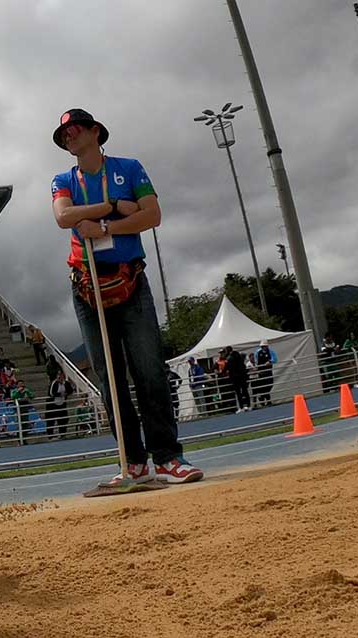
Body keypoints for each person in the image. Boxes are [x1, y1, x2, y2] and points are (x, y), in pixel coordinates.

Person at [50, 108, 201, 484]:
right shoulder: (62, 179)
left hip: (129, 279)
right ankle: (131, 459)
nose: (69, 134)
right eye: (64, 132)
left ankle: (167, 456)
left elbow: (151, 215)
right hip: (86, 284)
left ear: (96, 132)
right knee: (109, 378)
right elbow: (64, 218)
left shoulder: (130, 168)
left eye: (76, 128)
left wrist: (101, 223)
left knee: (148, 368)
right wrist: (115, 206)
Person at [224, 346, 251, 414]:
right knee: (245, 391)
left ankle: (241, 407)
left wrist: (224, 371)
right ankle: (248, 405)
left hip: (235, 377)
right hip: (242, 376)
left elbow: (226, 368)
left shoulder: (229, 358)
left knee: (238, 393)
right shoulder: (239, 356)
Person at [47, 370, 73, 438]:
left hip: (62, 403)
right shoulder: (54, 383)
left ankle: (62, 434)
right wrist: (60, 394)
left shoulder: (66, 383)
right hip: (52, 405)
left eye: (61, 375)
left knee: (64, 419)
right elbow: (51, 393)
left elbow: (71, 390)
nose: (60, 377)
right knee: (51, 420)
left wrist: (66, 393)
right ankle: (50, 436)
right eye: (58, 375)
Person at [251, 341, 276, 409]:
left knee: (270, 384)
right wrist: (257, 368)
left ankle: (263, 397)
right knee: (263, 386)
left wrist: (270, 361)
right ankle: (266, 400)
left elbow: (275, 359)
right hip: (261, 371)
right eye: (262, 346)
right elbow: (256, 361)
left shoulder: (270, 351)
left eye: (265, 346)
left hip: (268, 371)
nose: (264, 347)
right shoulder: (258, 352)